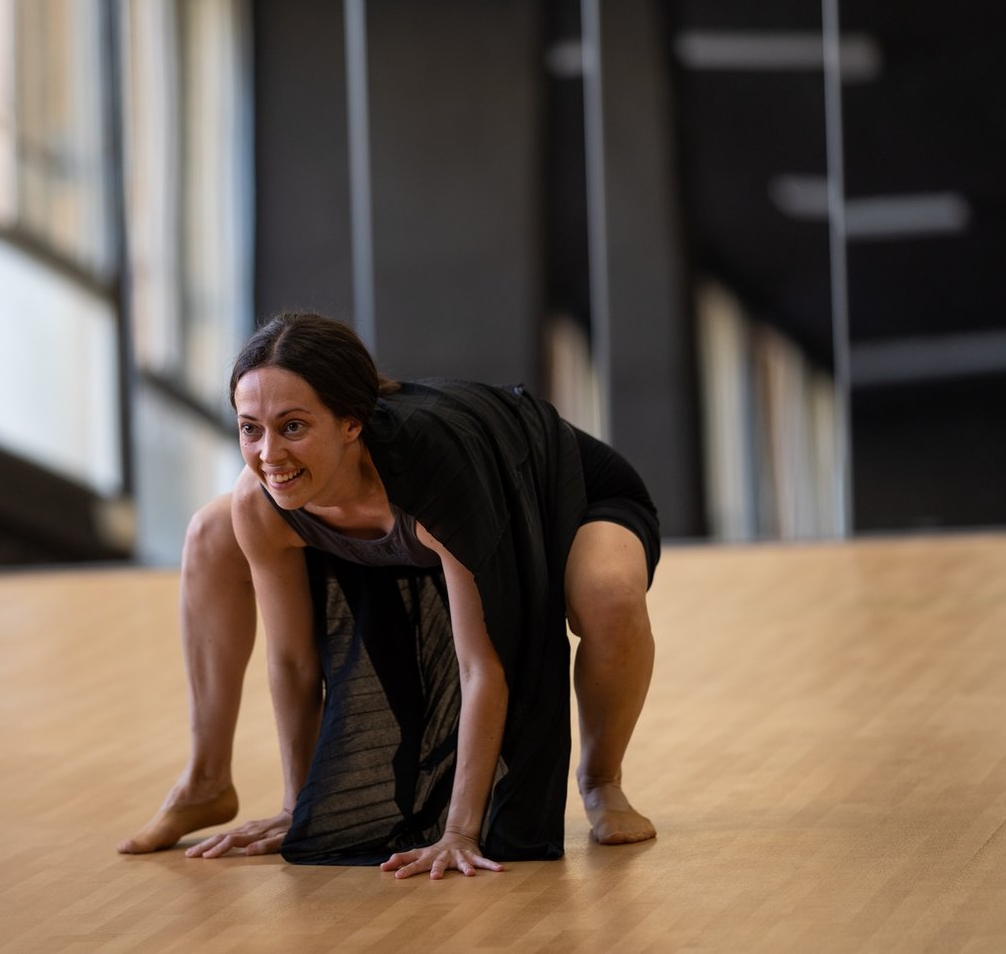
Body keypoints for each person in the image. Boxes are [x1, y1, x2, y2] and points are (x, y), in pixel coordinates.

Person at [118, 311, 660, 878]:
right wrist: (299, 810)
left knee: (608, 594)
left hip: (564, 491)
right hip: (405, 519)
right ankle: (205, 780)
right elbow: (294, 662)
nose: (269, 454)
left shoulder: (438, 475)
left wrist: (458, 832)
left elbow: (482, 666)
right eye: (250, 428)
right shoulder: (262, 496)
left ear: (351, 423)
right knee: (211, 531)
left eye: (293, 426)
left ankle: (602, 781)